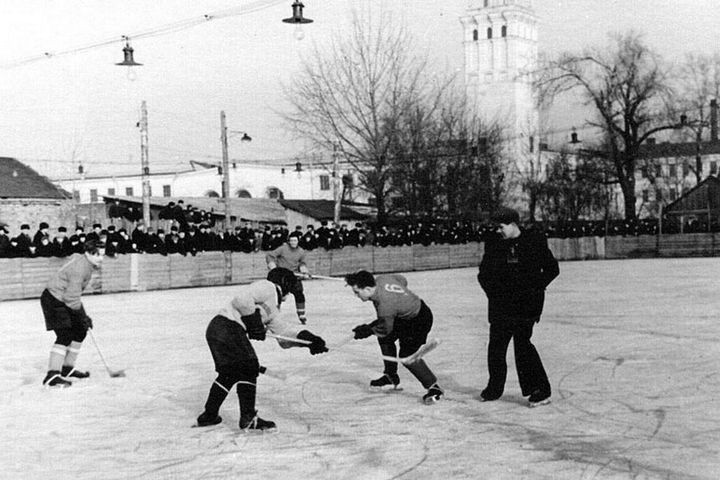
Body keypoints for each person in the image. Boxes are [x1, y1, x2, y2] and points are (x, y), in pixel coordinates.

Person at [195, 267, 328, 431]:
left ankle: (209, 415)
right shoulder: (268, 287)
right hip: (227, 326)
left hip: (218, 330)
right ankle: (248, 418)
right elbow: (241, 300)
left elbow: (283, 335)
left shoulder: (273, 308)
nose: (289, 294)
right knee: (249, 367)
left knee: (229, 374)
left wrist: (309, 340)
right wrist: (253, 322)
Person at [477, 207, 559, 408]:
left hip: (526, 304)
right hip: (501, 305)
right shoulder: (494, 244)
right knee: (496, 346)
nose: (498, 231)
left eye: (501, 227)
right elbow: (483, 274)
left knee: (522, 345)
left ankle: (540, 389)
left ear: (513, 225)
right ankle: (494, 388)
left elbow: (552, 269)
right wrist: (494, 294)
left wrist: (535, 287)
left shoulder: (534, 241)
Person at [345, 270, 444, 405]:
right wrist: (401, 299)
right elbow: (401, 280)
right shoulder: (382, 279)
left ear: (368, 289)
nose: (356, 295)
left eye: (357, 292)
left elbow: (385, 329)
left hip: (419, 319)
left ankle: (434, 387)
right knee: (385, 339)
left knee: (407, 355)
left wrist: (367, 330)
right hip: (403, 315)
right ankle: (391, 376)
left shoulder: (385, 306)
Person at [39, 239, 105, 387]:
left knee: (80, 330)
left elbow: (73, 297)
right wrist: (83, 316)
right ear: (88, 253)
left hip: (63, 299)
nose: (101, 258)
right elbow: (71, 299)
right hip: (53, 299)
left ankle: (67, 368)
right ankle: (52, 375)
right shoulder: (80, 268)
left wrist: (83, 317)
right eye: (98, 255)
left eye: (102, 255)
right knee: (65, 335)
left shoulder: (87, 264)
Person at [265, 231, 311, 324]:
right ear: (289, 241)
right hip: (281, 276)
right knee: (277, 296)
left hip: (292, 276)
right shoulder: (283, 248)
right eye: (291, 241)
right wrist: (272, 265)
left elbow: (302, 263)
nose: (293, 242)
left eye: (295, 240)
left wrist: (303, 270)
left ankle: (301, 315)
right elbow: (270, 255)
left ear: (298, 241)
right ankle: (274, 316)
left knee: (299, 293)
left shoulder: (301, 251)